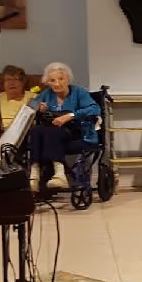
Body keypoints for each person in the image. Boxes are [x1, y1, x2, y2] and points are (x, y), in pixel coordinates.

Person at [28, 62, 99, 192]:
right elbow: (31, 104)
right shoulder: (47, 94)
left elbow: (94, 109)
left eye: (61, 79)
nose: (57, 83)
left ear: (68, 79)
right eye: (52, 80)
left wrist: (70, 115)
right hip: (54, 135)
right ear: (47, 82)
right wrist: (38, 107)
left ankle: (60, 174)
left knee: (52, 131)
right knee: (37, 130)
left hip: (78, 133)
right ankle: (34, 174)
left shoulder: (79, 92)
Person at [0, 64, 34, 148]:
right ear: (3, 83)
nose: (12, 83)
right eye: (8, 79)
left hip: (23, 135)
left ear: (23, 82)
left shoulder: (33, 98)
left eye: (15, 79)